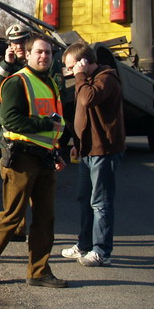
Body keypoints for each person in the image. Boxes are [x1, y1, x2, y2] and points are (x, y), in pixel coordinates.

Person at [0, 35, 69, 288]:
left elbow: (56, 121)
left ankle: (39, 272)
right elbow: (10, 120)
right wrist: (46, 124)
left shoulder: (50, 83)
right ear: (27, 54)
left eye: (48, 52)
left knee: (45, 218)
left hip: (45, 157)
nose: (44, 56)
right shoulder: (17, 82)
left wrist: (56, 150)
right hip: (21, 158)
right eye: (39, 52)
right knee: (13, 215)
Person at [59, 41, 125, 267]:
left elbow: (88, 100)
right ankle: (84, 245)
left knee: (101, 203)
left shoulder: (106, 78)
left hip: (102, 151)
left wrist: (79, 77)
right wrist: (76, 143)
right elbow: (82, 115)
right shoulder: (86, 81)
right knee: (84, 198)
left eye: (71, 66)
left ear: (83, 62)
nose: (70, 71)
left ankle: (102, 250)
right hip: (87, 150)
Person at [0, 23, 34, 241]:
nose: (18, 46)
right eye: (14, 42)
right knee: (13, 187)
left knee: (35, 189)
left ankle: (37, 230)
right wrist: (7, 62)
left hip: (36, 135)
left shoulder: (40, 62)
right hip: (12, 138)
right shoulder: (8, 65)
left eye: (22, 41)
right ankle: (17, 228)